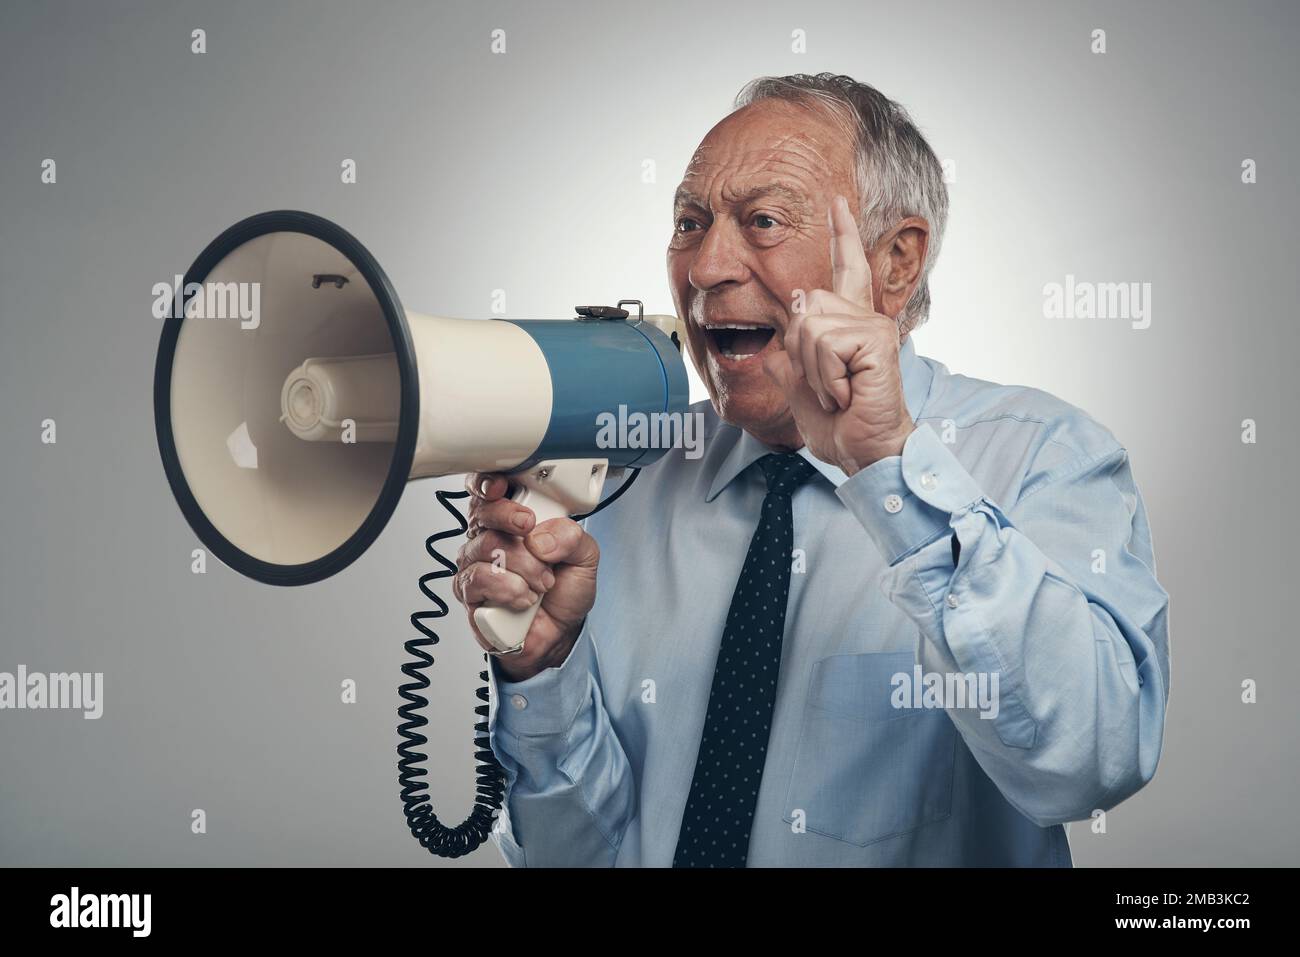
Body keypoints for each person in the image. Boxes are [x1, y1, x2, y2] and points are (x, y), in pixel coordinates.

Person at [453, 73, 1170, 867]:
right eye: (690, 222)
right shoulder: (625, 477)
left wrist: (891, 467)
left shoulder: (1044, 454)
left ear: (895, 262)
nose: (706, 268)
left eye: (763, 220)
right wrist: (543, 671)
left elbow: (1096, 759)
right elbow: (574, 857)